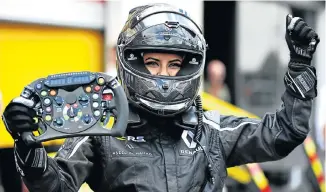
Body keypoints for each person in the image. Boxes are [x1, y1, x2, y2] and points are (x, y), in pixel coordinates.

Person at [1, 4, 320, 192]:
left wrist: (300, 67)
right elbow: (54, 186)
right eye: (153, 63)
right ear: (132, 62)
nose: (163, 76)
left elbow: (283, 134)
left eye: (174, 65)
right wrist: (29, 146)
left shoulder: (211, 130)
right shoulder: (102, 134)